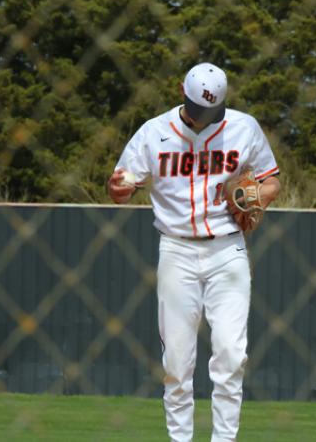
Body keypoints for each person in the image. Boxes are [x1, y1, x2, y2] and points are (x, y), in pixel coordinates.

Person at [107, 62, 280, 442]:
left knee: (231, 358)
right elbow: (120, 186)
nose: (204, 119)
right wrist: (120, 188)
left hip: (227, 249)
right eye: (198, 110)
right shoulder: (153, 133)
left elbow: (271, 180)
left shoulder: (243, 126)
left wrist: (257, 198)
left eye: (211, 112)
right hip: (177, 250)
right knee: (177, 365)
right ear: (181, 93)